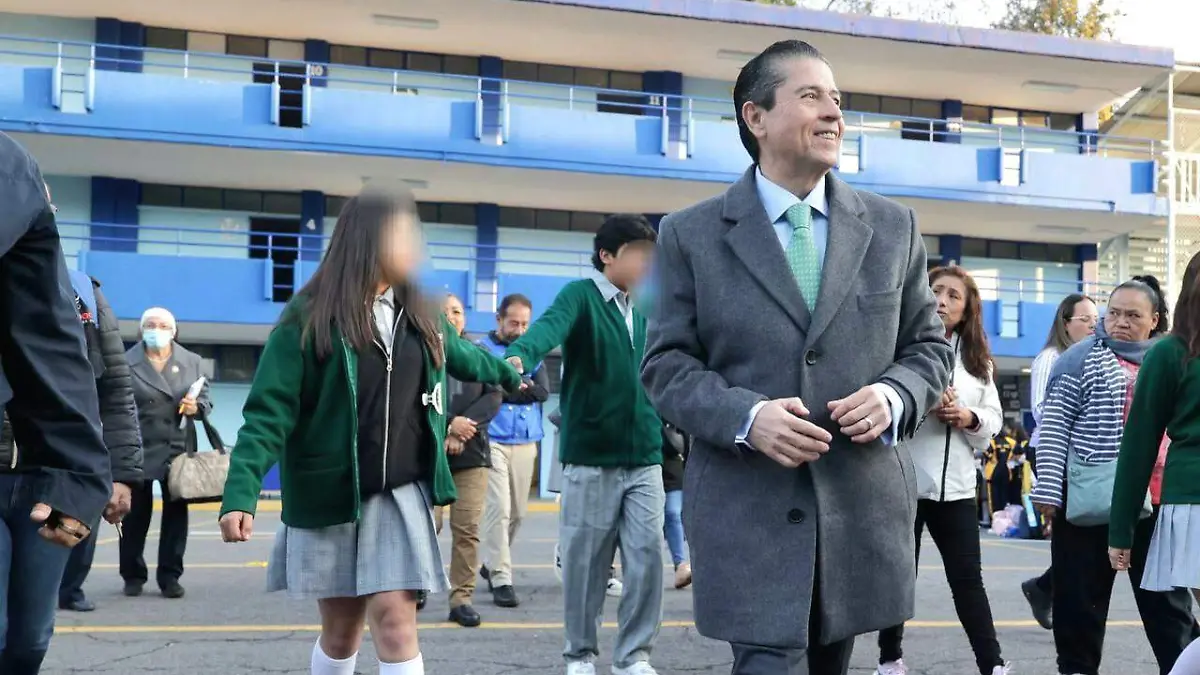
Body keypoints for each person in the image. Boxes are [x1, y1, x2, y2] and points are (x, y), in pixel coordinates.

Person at [640, 40, 953, 675]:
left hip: (856, 507)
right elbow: (665, 365)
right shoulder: (689, 234)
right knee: (766, 663)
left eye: (836, 99)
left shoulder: (894, 228)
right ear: (755, 118)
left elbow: (928, 348)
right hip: (745, 510)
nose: (833, 113)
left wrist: (894, 395)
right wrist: (745, 416)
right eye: (811, 96)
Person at [218, 184, 522, 675]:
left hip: (397, 493)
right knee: (340, 632)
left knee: (397, 622)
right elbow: (268, 411)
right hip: (330, 494)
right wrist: (240, 492)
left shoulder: (421, 312)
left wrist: (510, 373)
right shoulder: (308, 316)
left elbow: (464, 356)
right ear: (368, 241)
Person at [504, 213, 662, 675]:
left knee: (648, 558)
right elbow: (547, 329)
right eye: (638, 254)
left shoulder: (652, 307)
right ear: (607, 256)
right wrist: (521, 355)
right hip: (591, 458)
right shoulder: (581, 297)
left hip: (646, 458)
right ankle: (580, 655)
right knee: (586, 566)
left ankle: (633, 657)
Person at [1030, 275, 1200, 675]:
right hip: (1089, 500)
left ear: (1155, 319)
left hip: (1156, 501)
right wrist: (1049, 490)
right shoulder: (1078, 358)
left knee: (1168, 609)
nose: (1120, 322)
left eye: (1133, 315)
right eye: (1114, 314)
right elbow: (1054, 427)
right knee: (1080, 606)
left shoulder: (1173, 355)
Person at [0, 131, 111, 673]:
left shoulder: (85, 294)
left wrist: (112, 478)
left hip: (55, 476)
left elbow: (108, 385)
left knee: (29, 639)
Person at [875, 266, 1009, 675]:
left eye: (953, 296)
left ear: (967, 310)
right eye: (936, 291)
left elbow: (993, 421)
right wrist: (921, 402)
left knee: (968, 580)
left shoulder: (979, 362)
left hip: (957, 489)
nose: (942, 302)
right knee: (900, 576)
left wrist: (967, 416)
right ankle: (889, 658)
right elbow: (882, 406)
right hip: (906, 482)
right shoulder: (899, 347)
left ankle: (993, 664)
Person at [1109, 252, 1200, 675]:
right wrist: (1123, 527)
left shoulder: (1168, 354)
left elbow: (1138, 446)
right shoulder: (1169, 353)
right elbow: (1140, 445)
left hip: (1189, 503)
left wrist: (1121, 529)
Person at [56, 269, 143, 612]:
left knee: (77, 524)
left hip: (74, 454)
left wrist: (122, 473)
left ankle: (71, 587)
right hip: (15, 462)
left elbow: (116, 391)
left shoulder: (83, 291)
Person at [1020, 293, 1098, 630]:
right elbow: (1041, 410)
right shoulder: (1050, 358)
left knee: (1085, 537)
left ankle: (1045, 587)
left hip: (1083, 457)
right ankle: (1052, 593)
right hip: (1053, 453)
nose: (1094, 326)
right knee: (1072, 535)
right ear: (1066, 323)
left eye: (1097, 320)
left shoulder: (1094, 358)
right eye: (1086, 320)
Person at [121, 306, 210, 599]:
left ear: (173, 331)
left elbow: (206, 401)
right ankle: (132, 575)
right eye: (150, 325)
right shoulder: (124, 362)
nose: (155, 330)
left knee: (175, 518)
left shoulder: (192, 362)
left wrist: (197, 407)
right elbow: (115, 403)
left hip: (176, 448)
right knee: (135, 516)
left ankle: (170, 577)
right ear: (141, 329)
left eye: (162, 325)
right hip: (138, 446)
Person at [433, 292, 503, 627]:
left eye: (457, 311)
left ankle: (461, 598)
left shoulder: (479, 354)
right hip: (426, 455)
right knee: (423, 527)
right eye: (443, 311)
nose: (451, 317)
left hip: (472, 455)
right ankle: (415, 586)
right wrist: (448, 424)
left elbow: (494, 394)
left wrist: (461, 430)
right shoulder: (418, 355)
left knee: (467, 530)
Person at [477, 293, 551, 608]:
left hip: (526, 441)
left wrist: (510, 388)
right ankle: (502, 578)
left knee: (519, 513)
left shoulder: (534, 351)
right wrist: (519, 387)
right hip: (492, 440)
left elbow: (543, 392)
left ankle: (492, 560)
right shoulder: (483, 349)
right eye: (513, 323)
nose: (520, 330)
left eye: (524, 323)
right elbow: (487, 390)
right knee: (500, 509)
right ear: (499, 320)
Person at [661, 421, 691, 590]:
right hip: (649, 467)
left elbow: (685, 444)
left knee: (672, 514)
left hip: (673, 474)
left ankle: (680, 564)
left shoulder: (671, 419)